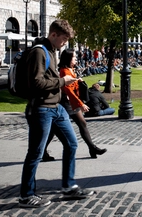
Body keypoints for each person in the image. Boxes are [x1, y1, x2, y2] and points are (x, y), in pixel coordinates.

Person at [19, 19, 94, 208]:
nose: (64, 44)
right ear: (53, 35)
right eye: (63, 39)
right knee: (35, 152)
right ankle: (26, 195)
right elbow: (35, 83)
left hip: (57, 107)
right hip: (42, 108)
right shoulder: (39, 52)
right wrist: (63, 81)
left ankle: (68, 186)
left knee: (72, 143)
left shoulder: (52, 51)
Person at [41, 48, 108, 162]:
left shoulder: (70, 69)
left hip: (71, 102)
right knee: (54, 129)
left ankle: (92, 148)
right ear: (68, 58)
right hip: (66, 103)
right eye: (74, 57)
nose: (76, 59)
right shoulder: (64, 71)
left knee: (82, 124)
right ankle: (42, 151)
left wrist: (79, 81)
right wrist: (80, 104)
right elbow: (68, 90)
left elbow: (73, 87)